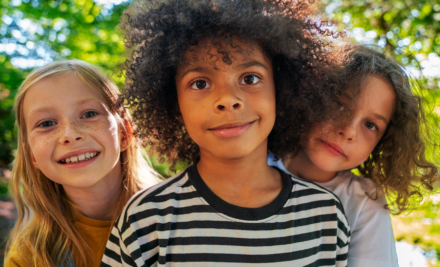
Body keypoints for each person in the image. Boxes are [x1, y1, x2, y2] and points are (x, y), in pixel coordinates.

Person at [102, 0, 351, 266]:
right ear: (175, 105)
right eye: (200, 83)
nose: (228, 99)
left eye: (250, 78)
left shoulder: (325, 215)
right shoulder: (146, 219)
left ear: (282, 90)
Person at [268, 45, 440, 266]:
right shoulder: (254, 159)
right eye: (339, 105)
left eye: (370, 125)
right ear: (308, 97)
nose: (348, 131)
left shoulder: (364, 201)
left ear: (383, 142)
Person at [4, 60, 160, 267]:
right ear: (32, 155)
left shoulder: (182, 217)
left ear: (124, 133)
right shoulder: (29, 257)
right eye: (47, 124)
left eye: (89, 114)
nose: (70, 134)